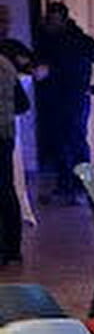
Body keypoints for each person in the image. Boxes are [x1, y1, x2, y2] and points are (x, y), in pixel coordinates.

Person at [35, 0, 94, 204]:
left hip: (72, 100)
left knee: (73, 142)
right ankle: (72, 187)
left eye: (53, 20)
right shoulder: (51, 40)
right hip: (62, 100)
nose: (50, 24)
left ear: (63, 20)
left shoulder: (78, 41)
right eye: (49, 20)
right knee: (67, 142)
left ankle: (78, 187)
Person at [0, 50, 22, 262]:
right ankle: (12, 247)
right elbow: (22, 103)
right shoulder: (6, 64)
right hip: (6, 132)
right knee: (6, 188)